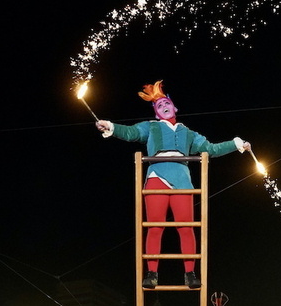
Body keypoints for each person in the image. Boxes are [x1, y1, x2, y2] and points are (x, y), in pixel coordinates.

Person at [96, 80, 250, 288]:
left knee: (186, 227)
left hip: (182, 180)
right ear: (156, 112)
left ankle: (190, 274)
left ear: (174, 107)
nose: (163, 106)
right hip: (156, 177)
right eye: (158, 106)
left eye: (166, 103)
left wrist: (236, 144)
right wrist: (111, 127)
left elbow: (211, 149)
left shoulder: (188, 133)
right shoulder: (151, 127)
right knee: (155, 226)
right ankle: (152, 273)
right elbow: (131, 133)